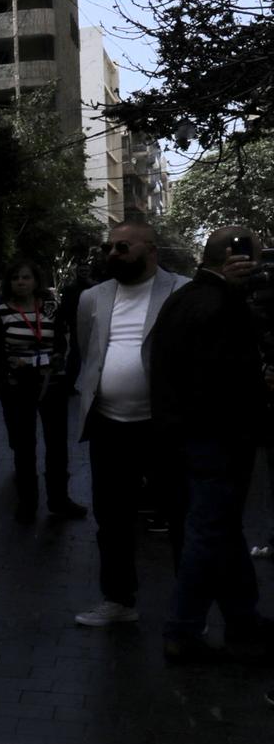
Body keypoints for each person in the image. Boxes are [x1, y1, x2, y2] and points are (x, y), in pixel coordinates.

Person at [147, 227, 268, 664]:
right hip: (217, 439)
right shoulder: (219, 306)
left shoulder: (183, 298)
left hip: (186, 436)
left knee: (220, 529)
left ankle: (242, 616)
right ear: (234, 258)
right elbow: (227, 380)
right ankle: (182, 628)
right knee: (207, 532)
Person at [70, 221, 191, 627]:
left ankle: (189, 607)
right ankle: (119, 599)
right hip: (109, 426)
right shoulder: (92, 298)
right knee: (112, 517)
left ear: (150, 249)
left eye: (123, 247)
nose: (112, 254)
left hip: (163, 427)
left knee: (180, 515)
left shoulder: (181, 290)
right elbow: (88, 350)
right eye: (109, 247)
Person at [0, 260, 87, 523]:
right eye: (16, 277)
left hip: (51, 384)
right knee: (24, 446)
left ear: (35, 281)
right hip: (17, 387)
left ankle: (59, 499)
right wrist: (3, 376)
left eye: (26, 277)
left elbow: (63, 339)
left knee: (57, 445)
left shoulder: (51, 307)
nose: (21, 282)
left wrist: (57, 357)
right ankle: (28, 502)